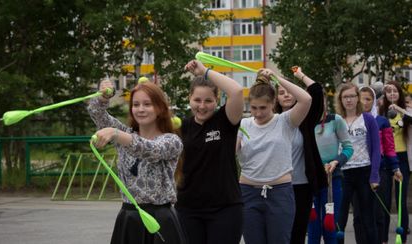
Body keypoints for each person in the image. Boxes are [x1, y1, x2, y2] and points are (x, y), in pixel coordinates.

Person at [88, 79, 187, 244]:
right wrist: (104, 96)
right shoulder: (124, 135)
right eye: (136, 104)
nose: (140, 109)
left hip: (160, 221)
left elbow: (149, 149)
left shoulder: (172, 140)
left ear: (160, 108)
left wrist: (117, 134)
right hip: (129, 219)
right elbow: (96, 112)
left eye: (147, 104)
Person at [237, 68, 312, 244]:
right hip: (248, 193)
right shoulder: (244, 124)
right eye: (253, 108)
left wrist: (276, 78)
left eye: (263, 107)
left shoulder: (285, 121)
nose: (258, 113)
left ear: (273, 102)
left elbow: (306, 99)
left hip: (280, 193)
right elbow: (230, 151)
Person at [175, 60, 244, 244]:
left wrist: (205, 71)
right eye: (197, 100)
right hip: (187, 209)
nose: (202, 106)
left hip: (225, 209)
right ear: (189, 98)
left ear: (217, 100)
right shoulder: (182, 126)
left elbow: (236, 91)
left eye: (208, 101)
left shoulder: (226, 121)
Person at [274, 67, 328, 244]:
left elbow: (316, 92)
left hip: (301, 186)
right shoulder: (271, 122)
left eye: (289, 91)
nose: (286, 95)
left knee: (297, 233)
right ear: (276, 98)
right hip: (277, 186)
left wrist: (300, 75)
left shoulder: (306, 120)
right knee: (280, 233)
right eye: (281, 92)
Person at [353, 86, 402, 244]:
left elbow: (389, 147)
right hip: (356, 172)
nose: (364, 102)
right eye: (361, 98)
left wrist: (395, 167)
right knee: (359, 214)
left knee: (379, 212)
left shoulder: (381, 121)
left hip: (379, 171)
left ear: (374, 101)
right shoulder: (349, 121)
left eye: (368, 99)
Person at [335, 82, 380, 244]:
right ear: (340, 99)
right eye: (345, 97)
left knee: (367, 217)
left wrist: (375, 176)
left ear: (357, 98)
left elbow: (376, 149)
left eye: (352, 96)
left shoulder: (367, 119)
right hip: (342, 174)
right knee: (340, 218)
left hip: (364, 172)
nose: (349, 100)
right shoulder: (337, 120)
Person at [308, 92, 353, 244]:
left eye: (320, 100)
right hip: (310, 180)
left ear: (325, 102)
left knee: (330, 226)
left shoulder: (335, 120)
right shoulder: (303, 122)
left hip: (332, 179)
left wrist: (336, 162)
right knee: (313, 228)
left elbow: (348, 148)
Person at [379, 81, 412, 243]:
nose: (392, 94)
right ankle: (383, 239)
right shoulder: (381, 112)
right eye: (389, 91)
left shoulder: (405, 113)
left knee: (401, 201)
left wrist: (399, 109)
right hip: (385, 159)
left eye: (395, 91)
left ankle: (402, 238)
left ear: (400, 94)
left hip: (403, 158)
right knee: (384, 200)